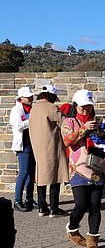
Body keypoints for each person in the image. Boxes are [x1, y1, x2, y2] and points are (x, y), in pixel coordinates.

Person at [62, 89, 105, 248]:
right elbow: (67, 141)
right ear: (76, 105)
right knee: (81, 205)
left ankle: (93, 239)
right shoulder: (69, 122)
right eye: (83, 106)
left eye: (89, 106)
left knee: (95, 206)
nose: (86, 109)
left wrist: (103, 133)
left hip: (97, 167)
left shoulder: (96, 121)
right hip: (77, 169)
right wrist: (84, 129)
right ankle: (72, 228)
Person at [28, 84, 69, 217]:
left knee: (41, 176)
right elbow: (64, 123)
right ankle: (54, 208)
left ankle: (42, 207)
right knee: (55, 176)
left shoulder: (34, 108)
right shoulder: (52, 107)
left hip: (37, 146)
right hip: (52, 146)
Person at [10, 86, 37, 212]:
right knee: (24, 172)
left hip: (33, 144)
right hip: (23, 146)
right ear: (21, 98)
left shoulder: (32, 109)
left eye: (31, 96)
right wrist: (32, 119)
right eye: (28, 97)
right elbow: (18, 126)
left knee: (32, 174)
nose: (31, 98)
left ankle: (30, 200)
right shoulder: (16, 110)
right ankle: (17, 200)